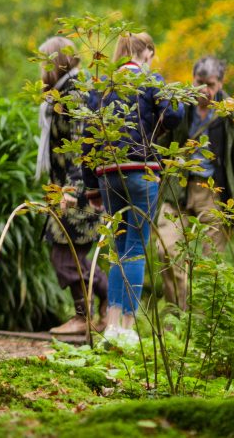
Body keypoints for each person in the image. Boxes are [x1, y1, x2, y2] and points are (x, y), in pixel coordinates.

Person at [83, 32, 183, 346]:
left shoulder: (102, 87)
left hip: (107, 175)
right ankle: (126, 329)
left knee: (118, 249)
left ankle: (111, 326)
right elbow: (175, 114)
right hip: (140, 172)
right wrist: (160, 124)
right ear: (147, 52)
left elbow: (88, 137)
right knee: (136, 249)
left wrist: (91, 187)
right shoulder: (150, 79)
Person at [156, 56, 234, 309]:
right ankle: (178, 321)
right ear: (192, 79)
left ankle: (208, 328)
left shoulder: (231, 113)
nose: (204, 90)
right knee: (165, 250)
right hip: (177, 190)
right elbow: (161, 145)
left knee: (213, 264)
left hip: (214, 193)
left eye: (210, 84)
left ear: (220, 83)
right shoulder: (179, 106)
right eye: (199, 82)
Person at [35, 36, 108, 336]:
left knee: (66, 258)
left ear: (55, 63)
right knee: (67, 256)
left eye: (43, 62)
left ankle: (91, 310)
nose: (39, 70)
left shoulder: (75, 94)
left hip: (81, 192)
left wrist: (72, 191)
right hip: (65, 188)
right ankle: (91, 310)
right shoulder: (60, 93)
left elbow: (81, 147)